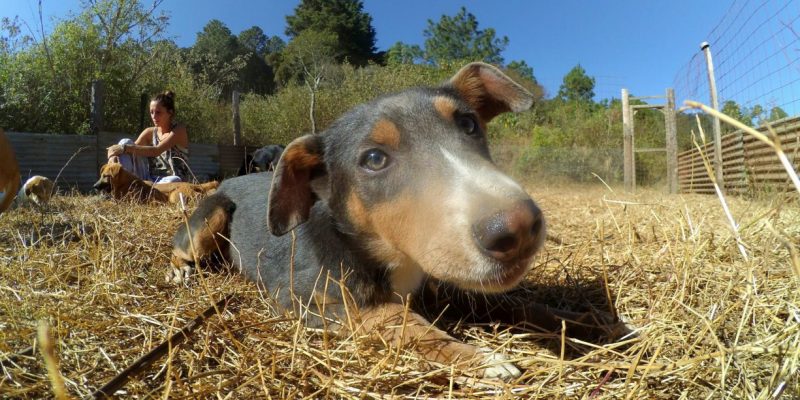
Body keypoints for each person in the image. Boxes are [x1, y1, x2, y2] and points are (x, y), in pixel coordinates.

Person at [106, 91, 191, 183]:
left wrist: (123, 148)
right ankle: (119, 186)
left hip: (171, 181)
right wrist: (113, 155)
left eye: (158, 112)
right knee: (125, 141)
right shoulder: (149, 132)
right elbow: (130, 152)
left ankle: (136, 189)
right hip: (150, 179)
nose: (154, 116)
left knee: (175, 180)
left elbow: (156, 151)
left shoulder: (179, 130)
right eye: (151, 112)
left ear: (170, 112)